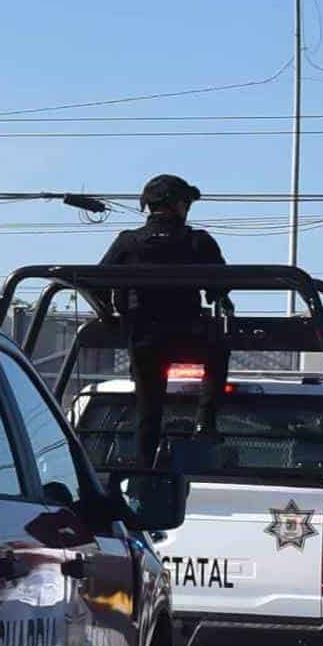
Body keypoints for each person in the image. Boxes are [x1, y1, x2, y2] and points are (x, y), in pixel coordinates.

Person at [100, 174, 233, 466]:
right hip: (189, 337)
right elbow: (221, 286)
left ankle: (143, 471)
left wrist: (110, 317)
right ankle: (205, 420)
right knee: (220, 345)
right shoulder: (198, 242)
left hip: (143, 340)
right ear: (179, 205)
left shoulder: (128, 242)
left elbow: (97, 281)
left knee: (148, 413)